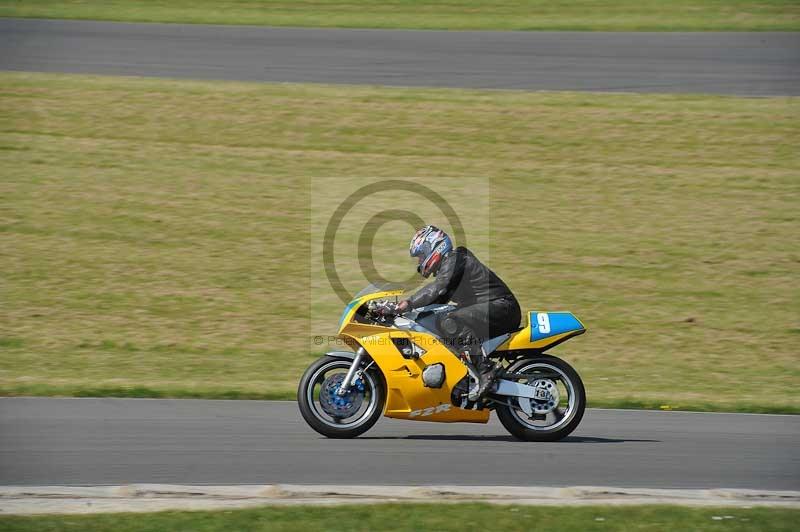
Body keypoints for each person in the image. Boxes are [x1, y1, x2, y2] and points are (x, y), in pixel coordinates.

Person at [395, 225, 521, 401]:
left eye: (422, 255)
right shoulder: (450, 268)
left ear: (434, 246)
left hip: (501, 308)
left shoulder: (456, 259)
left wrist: (406, 304)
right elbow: (436, 301)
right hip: (492, 309)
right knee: (434, 320)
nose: (420, 262)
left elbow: (437, 289)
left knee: (449, 320)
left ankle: (486, 370)